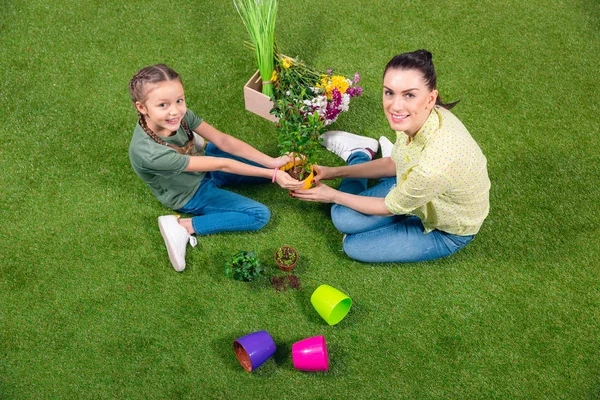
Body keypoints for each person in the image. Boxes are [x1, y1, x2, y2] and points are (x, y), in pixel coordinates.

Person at [292, 50, 490, 263]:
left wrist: (331, 195)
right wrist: (333, 172)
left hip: (445, 230)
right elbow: (394, 163)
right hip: (414, 189)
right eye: (389, 93)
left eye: (409, 95)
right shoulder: (415, 118)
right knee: (342, 218)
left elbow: (389, 207)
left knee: (353, 245)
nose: (395, 106)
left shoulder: (433, 166)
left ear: (430, 98)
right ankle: (359, 152)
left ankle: (389, 190)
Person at [128, 64, 304, 272]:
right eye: (163, 105)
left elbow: (222, 140)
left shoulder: (179, 116)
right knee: (259, 215)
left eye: (179, 100)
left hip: (204, 161)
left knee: (271, 169)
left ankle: (261, 168)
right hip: (191, 193)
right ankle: (183, 226)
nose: (175, 111)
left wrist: (272, 162)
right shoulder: (151, 154)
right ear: (141, 107)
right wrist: (273, 174)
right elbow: (224, 163)